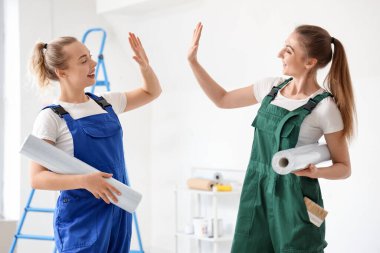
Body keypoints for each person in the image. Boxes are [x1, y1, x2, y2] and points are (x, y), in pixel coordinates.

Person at [188, 22, 355, 252]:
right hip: (256, 188)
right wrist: (193, 63)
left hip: (297, 198)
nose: (279, 54)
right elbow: (222, 99)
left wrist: (317, 172)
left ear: (310, 62)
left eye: (288, 50)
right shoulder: (271, 87)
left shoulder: (325, 108)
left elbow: (344, 167)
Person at [29, 32, 161, 252]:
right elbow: (37, 178)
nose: (93, 63)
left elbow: (151, 91)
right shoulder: (51, 118)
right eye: (83, 60)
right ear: (62, 72)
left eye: (89, 56)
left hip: (118, 210)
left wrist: (144, 66)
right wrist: (85, 180)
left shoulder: (106, 102)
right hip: (82, 216)